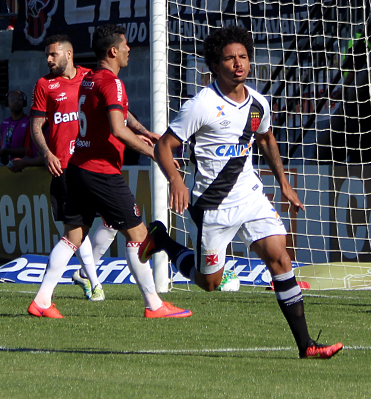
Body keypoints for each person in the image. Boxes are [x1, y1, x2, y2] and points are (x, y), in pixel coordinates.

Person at [141, 25, 342, 358]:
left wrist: (284, 184)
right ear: (215, 65)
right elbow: (164, 145)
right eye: (230, 58)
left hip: (250, 197)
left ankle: (306, 345)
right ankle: (162, 240)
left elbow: (266, 139)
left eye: (243, 57)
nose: (238, 63)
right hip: (212, 207)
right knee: (209, 283)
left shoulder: (257, 104)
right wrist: (176, 181)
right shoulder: (201, 105)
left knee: (280, 259)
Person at [28, 24, 191, 319]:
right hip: (101, 171)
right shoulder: (110, 82)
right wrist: (156, 153)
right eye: (125, 45)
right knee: (138, 235)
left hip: (77, 167)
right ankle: (154, 305)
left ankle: (42, 300)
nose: (129, 49)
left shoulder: (89, 79)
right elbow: (117, 128)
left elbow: (116, 116)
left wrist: (144, 132)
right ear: (113, 51)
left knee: (72, 237)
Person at [16, 34, 121, 302]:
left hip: (93, 164)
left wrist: (141, 131)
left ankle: (83, 277)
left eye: (53, 54)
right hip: (65, 169)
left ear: (69, 54)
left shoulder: (89, 77)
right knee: (76, 229)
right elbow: (36, 127)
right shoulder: (44, 85)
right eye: (47, 56)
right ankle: (93, 282)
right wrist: (47, 153)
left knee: (113, 222)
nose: (49, 60)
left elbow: (114, 109)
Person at [0, 89, 35, 164]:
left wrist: (6, 151)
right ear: (7, 103)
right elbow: (3, 146)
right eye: (12, 99)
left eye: (19, 99)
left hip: (25, 164)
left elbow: (30, 149)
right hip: (9, 165)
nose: (16, 101)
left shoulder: (29, 122)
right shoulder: (4, 124)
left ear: (24, 102)